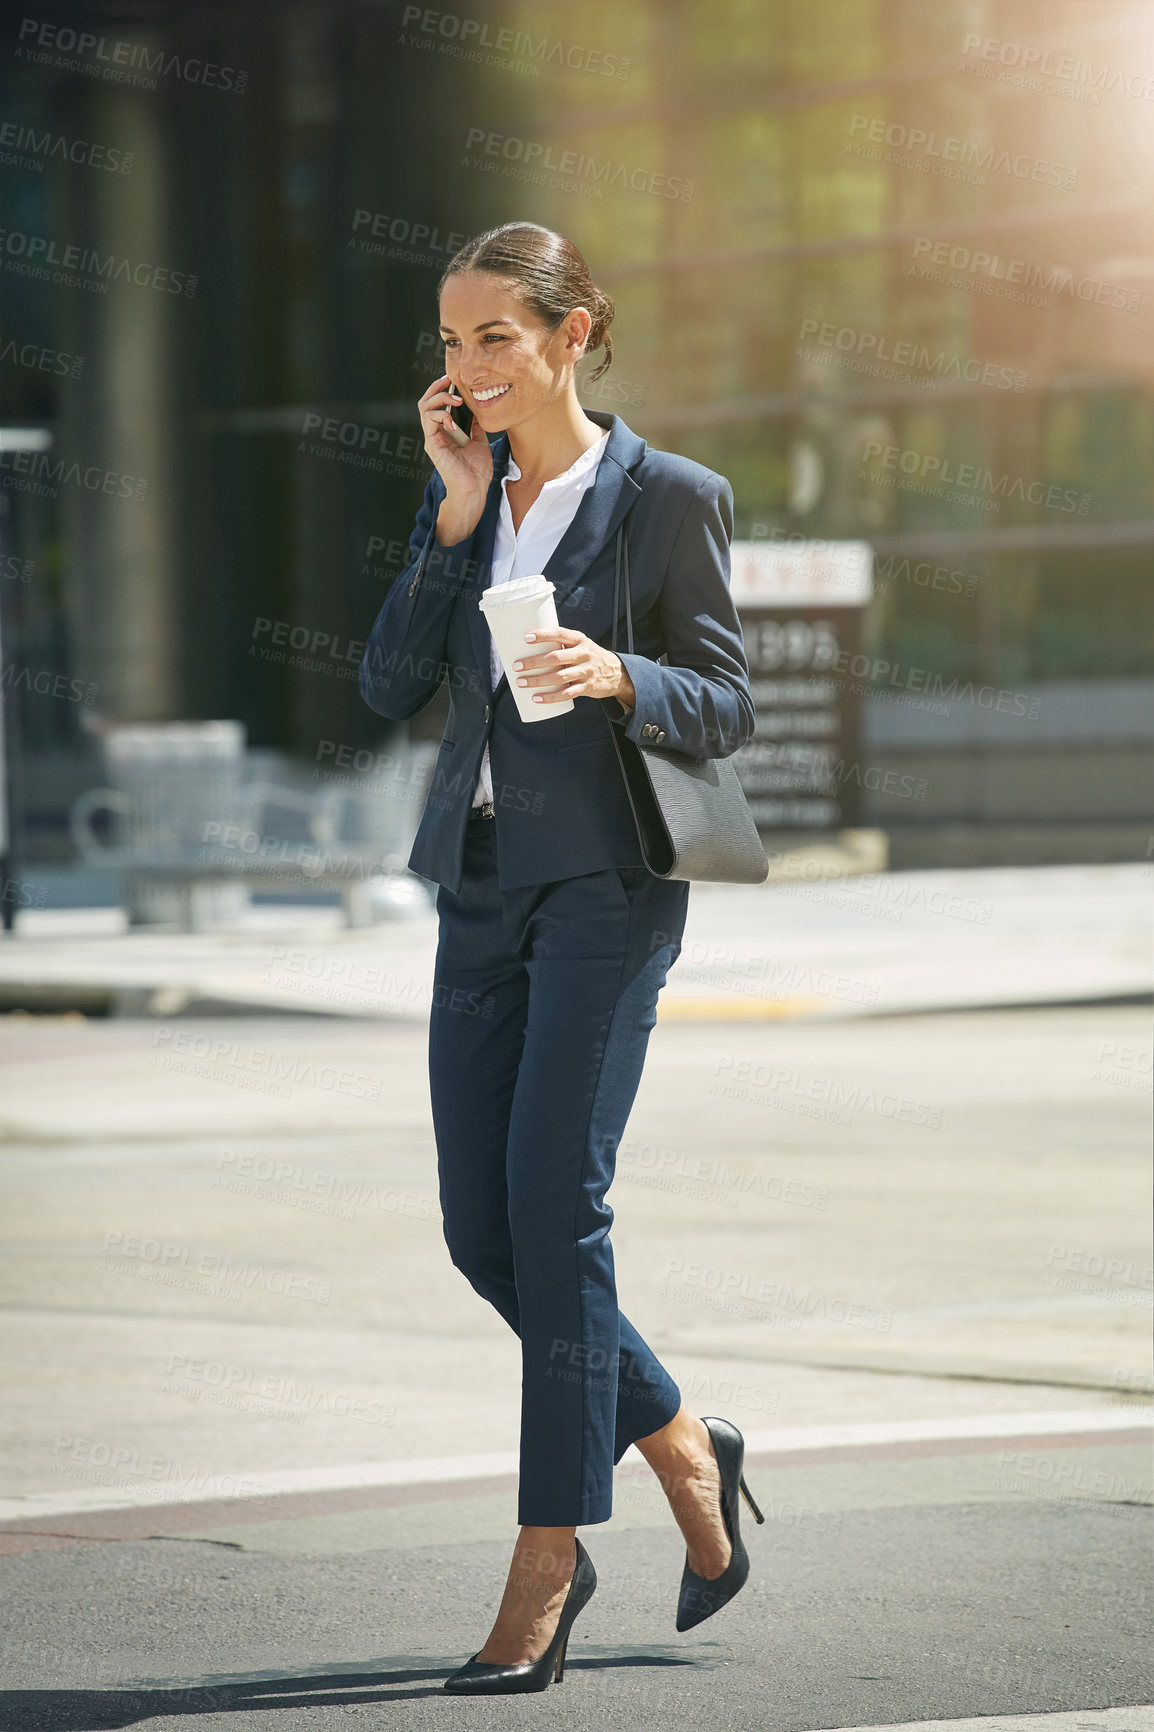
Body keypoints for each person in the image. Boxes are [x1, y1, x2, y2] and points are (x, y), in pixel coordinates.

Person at [359, 221, 764, 1696]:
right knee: (485, 1232)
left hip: (605, 886)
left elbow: (722, 700)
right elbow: (388, 681)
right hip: (477, 888)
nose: (466, 369)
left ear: (571, 335)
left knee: (554, 1205)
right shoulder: (465, 489)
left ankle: (548, 1554)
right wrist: (455, 522)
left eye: (495, 340)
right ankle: (677, 1440)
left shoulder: (667, 499)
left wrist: (617, 672)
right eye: (451, 343)